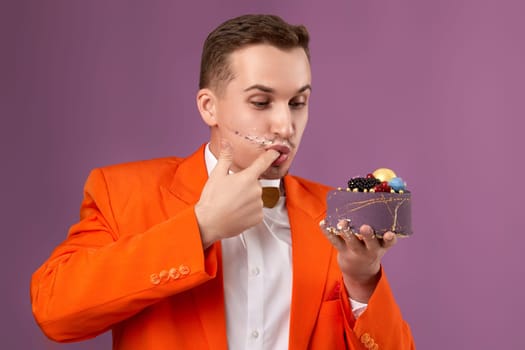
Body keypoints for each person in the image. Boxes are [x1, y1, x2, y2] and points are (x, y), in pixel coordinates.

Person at [31, 14, 415, 349]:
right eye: (261, 102)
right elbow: (54, 312)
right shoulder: (123, 193)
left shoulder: (334, 217)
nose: (285, 126)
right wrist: (199, 227)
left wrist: (362, 280)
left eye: (298, 103)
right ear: (208, 106)